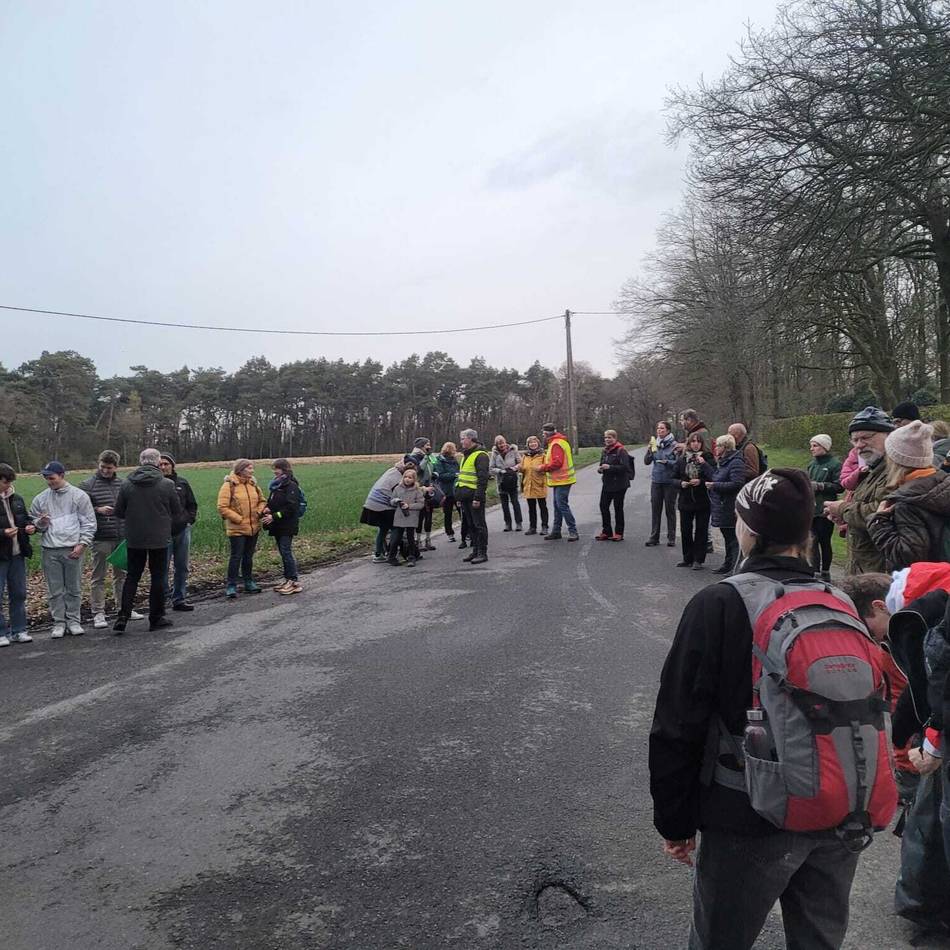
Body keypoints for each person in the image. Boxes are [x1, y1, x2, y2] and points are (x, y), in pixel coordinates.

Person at [650, 468, 895, 950]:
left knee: (721, 939)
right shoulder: (839, 600)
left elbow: (678, 723)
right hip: (840, 805)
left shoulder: (718, 603)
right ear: (806, 534)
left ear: (747, 531)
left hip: (748, 811)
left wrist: (675, 823)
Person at [112, 448, 182, 634]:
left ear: (141, 461)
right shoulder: (166, 484)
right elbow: (176, 510)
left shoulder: (127, 483)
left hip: (134, 537)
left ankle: (123, 615)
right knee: (158, 577)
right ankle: (156, 617)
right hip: (159, 537)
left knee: (132, 576)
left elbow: (119, 511)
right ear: (158, 462)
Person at [867, 420, 950, 572]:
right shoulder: (942, 482)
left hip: (926, 586)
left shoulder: (908, 501)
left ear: (894, 460)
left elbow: (908, 558)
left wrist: (879, 523)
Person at [29, 460, 96, 639]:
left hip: (73, 548)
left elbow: (89, 523)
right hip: (50, 550)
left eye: (52, 478)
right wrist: (40, 523)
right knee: (55, 590)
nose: (49, 482)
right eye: (46, 478)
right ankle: (59, 622)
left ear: (62, 476)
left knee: (73, 588)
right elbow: (35, 525)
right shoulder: (40, 499)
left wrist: (82, 544)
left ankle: (74, 620)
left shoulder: (79, 496)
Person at [823, 407, 895, 574]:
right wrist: (843, 516)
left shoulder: (896, 469)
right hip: (863, 568)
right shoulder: (872, 468)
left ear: (889, 436)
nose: (859, 446)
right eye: (855, 440)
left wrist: (842, 509)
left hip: (882, 573)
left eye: (866, 438)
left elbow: (883, 512)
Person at [80, 450, 142, 629]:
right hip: (100, 537)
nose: (105, 471)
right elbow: (80, 509)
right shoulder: (87, 485)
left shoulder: (123, 484)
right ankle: (98, 612)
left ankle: (124, 608)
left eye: (109, 467)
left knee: (121, 575)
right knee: (98, 577)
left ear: (116, 467)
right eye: (102, 467)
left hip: (122, 536)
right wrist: (97, 510)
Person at [216, 458, 266, 599]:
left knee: (248, 557)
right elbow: (222, 507)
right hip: (237, 529)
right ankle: (231, 585)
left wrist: (258, 511)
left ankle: (248, 582)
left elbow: (262, 501)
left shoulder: (253, 484)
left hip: (253, 527)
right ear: (241, 470)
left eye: (252, 468)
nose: (252, 470)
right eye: (249, 468)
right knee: (236, 556)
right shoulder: (229, 485)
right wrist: (238, 519)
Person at [0, 463, 36, 646]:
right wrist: (3, 533)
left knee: (19, 593)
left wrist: (31, 527)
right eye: (5, 482)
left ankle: (19, 630)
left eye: (9, 482)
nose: (7, 486)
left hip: (17, 553)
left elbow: (25, 519)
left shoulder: (18, 499)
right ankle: (1, 632)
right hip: (1, 555)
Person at [159, 453, 198, 612]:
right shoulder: (156, 484)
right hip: (163, 532)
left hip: (182, 530)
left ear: (172, 465)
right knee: (162, 568)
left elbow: (192, 504)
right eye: (160, 464)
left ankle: (179, 599)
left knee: (182, 566)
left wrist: (189, 520)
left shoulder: (182, 483)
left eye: (166, 464)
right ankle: (161, 600)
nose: (163, 467)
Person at [703, 434, 747, 574]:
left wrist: (715, 486)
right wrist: (704, 465)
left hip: (730, 505)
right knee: (727, 537)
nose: (715, 448)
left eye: (718, 446)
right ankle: (727, 564)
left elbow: (737, 483)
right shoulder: (724, 461)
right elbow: (716, 476)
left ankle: (735, 569)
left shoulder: (736, 462)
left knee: (733, 539)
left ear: (725, 447)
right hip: (722, 505)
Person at [673, 431, 714, 570]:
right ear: (689, 443)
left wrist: (701, 481)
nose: (696, 444)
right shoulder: (682, 459)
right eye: (693, 441)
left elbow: (714, 476)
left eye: (698, 441)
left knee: (701, 530)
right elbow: (672, 478)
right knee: (685, 529)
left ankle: (698, 559)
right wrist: (681, 483)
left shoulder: (708, 457)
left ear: (702, 443)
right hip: (685, 499)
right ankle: (687, 558)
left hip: (702, 499)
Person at [263, 458, 303, 594]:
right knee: (282, 552)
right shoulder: (277, 486)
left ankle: (294, 581)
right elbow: (275, 502)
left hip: (287, 525)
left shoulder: (291, 486)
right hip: (278, 526)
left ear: (284, 469)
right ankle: (288, 579)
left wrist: (273, 516)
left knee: (286, 552)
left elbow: (291, 508)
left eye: (276, 469)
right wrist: (268, 508)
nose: (274, 472)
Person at [361, 459, 411, 563]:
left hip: (372, 503)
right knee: (396, 528)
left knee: (383, 528)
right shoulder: (398, 479)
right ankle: (393, 553)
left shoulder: (391, 471)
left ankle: (379, 554)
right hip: (382, 505)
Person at [807, 434, 842, 581]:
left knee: (824, 540)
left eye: (815, 446)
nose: (812, 449)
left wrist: (821, 486)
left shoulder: (835, 464)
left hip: (826, 510)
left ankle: (826, 571)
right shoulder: (811, 464)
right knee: (812, 540)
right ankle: (814, 571)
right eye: (811, 445)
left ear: (825, 447)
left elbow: (840, 486)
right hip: (811, 509)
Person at [455, 429, 490, 564]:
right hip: (464, 497)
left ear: (471, 439)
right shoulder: (466, 455)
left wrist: (478, 498)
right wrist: (459, 497)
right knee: (471, 525)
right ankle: (475, 550)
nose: (461, 441)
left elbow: (482, 479)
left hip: (474, 497)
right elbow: (462, 477)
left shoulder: (480, 455)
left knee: (479, 525)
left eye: (463, 438)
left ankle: (482, 552)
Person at [539, 423, 578, 542]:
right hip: (560, 480)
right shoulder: (559, 442)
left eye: (544, 433)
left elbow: (557, 463)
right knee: (557, 506)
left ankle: (573, 531)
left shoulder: (556, 444)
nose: (543, 435)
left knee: (562, 505)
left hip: (563, 480)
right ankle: (556, 531)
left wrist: (543, 467)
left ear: (546, 433)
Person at [644, 420, 678, 547]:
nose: (659, 430)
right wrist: (649, 450)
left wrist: (667, 462)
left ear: (668, 430)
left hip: (670, 482)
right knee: (655, 510)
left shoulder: (674, 445)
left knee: (670, 510)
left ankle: (671, 537)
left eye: (662, 428)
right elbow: (647, 462)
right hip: (656, 481)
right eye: (658, 428)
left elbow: (678, 464)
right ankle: (654, 537)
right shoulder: (655, 444)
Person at [595, 429, 632, 541]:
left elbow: (625, 468)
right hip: (607, 483)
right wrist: (600, 469)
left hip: (620, 484)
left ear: (615, 438)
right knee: (603, 506)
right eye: (606, 438)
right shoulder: (604, 451)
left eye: (610, 437)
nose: (607, 440)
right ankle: (606, 531)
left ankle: (619, 533)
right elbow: (602, 464)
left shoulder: (621, 451)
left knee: (618, 508)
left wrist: (610, 467)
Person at [388, 466, 425, 566]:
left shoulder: (417, 490)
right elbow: (391, 500)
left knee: (410, 538)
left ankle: (411, 556)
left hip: (411, 516)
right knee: (396, 538)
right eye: (405, 477)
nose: (407, 479)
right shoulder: (398, 488)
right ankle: (392, 557)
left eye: (410, 478)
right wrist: (395, 501)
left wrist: (409, 506)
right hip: (399, 516)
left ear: (414, 479)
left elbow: (421, 504)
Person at [407, 437, 437, 551]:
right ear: (421, 446)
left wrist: (434, 473)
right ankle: (418, 541)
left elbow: (434, 464)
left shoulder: (428, 456)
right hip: (419, 489)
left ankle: (428, 540)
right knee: (420, 517)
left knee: (428, 516)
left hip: (429, 487)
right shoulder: (414, 457)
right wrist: (426, 457)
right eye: (427, 444)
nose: (429, 446)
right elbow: (419, 470)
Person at [490, 434, 523, 532]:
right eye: (499, 443)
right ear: (496, 444)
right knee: (504, 504)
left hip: (512, 480)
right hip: (502, 482)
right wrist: (500, 471)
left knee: (515, 502)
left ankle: (518, 523)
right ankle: (508, 523)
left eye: (503, 443)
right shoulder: (494, 454)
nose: (501, 445)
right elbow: (491, 468)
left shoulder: (513, 451)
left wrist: (514, 468)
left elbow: (520, 463)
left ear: (505, 442)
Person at [519, 435, 549, 536]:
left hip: (539, 483)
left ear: (538, 444)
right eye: (530, 443)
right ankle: (533, 527)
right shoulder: (525, 456)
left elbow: (547, 468)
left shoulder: (543, 455)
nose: (533, 444)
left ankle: (545, 527)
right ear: (528, 445)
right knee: (531, 508)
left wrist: (541, 468)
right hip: (528, 484)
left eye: (534, 442)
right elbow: (523, 468)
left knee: (542, 506)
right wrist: (520, 468)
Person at [432, 442, 460, 542]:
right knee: (448, 514)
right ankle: (450, 533)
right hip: (446, 491)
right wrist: (454, 475)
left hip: (456, 490)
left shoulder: (454, 460)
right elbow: (441, 476)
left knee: (462, 511)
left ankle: (467, 532)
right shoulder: (440, 461)